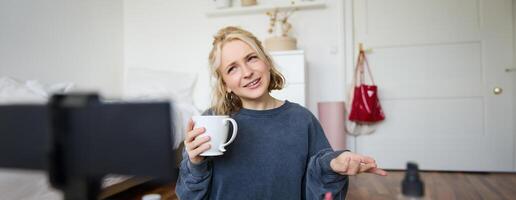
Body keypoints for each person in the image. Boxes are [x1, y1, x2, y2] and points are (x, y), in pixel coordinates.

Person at [175, 26, 387, 200]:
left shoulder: (301, 119)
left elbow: (320, 173)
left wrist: (334, 164)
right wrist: (195, 164)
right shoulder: (211, 120)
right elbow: (188, 195)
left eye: (251, 58)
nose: (247, 72)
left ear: (266, 61)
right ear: (225, 84)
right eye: (232, 68)